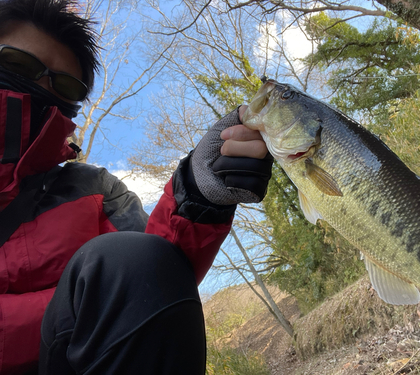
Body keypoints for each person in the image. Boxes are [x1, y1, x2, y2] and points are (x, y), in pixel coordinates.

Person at [0, 0, 273, 374]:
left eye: (63, 84)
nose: (41, 86)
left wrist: (198, 192)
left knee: (132, 256)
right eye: (19, 65)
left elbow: (148, 276)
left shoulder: (93, 189)